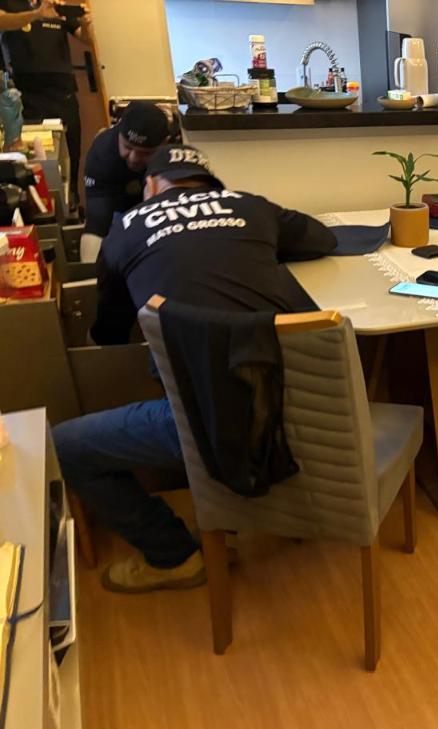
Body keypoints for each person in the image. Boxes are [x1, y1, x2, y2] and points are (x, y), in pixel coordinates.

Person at [52, 144, 337, 593]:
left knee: (65, 447)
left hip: (210, 420)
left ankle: (174, 557)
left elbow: (109, 331)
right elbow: (324, 239)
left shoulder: (126, 228)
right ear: (210, 184)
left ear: (151, 185)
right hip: (310, 411)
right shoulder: (248, 205)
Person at [0, 0, 93, 202]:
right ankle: (43, 206)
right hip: (27, 95)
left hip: (63, 92)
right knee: (35, 162)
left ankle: (72, 203)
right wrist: (37, 14)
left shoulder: (55, 3)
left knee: (70, 158)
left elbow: (87, 39)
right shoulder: (10, 3)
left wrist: (87, 24)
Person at [83, 101, 171, 237]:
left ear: (164, 144)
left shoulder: (175, 155)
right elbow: (96, 223)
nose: (133, 158)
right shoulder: (101, 154)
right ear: (118, 134)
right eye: (127, 147)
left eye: (145, 153)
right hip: (119, 208)